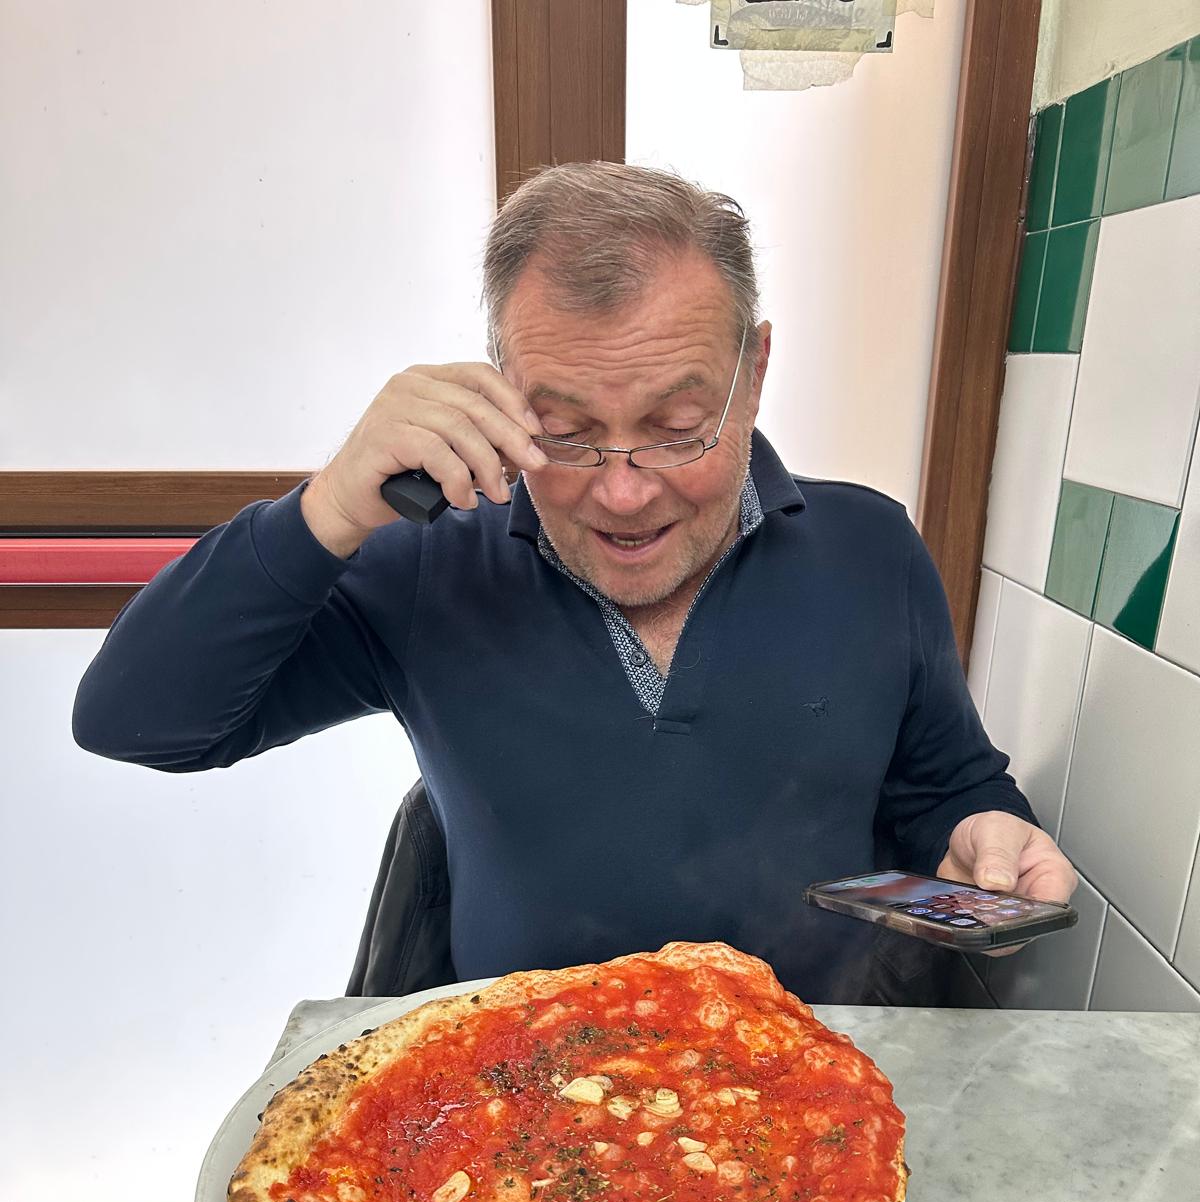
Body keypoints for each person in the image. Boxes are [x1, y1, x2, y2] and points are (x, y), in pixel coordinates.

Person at [72, 162, 1076, 1004]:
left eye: (680, 427)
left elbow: (946, 786)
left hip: (809, 1069)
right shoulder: (430, 567)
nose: (626, 492)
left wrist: (984, 831)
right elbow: (141, 719)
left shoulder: (871, 549)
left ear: (754, 368)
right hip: (515, 1105)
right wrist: (328, 506)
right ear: (501, 390)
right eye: (566, 431)